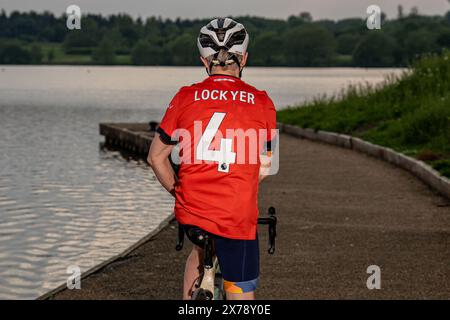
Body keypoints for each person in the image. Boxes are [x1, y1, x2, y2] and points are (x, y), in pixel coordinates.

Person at [148, 17, 276, 300]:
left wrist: (178, 192)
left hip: (192, 211)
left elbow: (156, 158)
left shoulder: (185, 96)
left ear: (204, 61)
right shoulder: (262, 101)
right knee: (241, 296)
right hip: (235, 215)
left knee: (199, 250)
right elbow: (265, 167)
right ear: (243, 59)